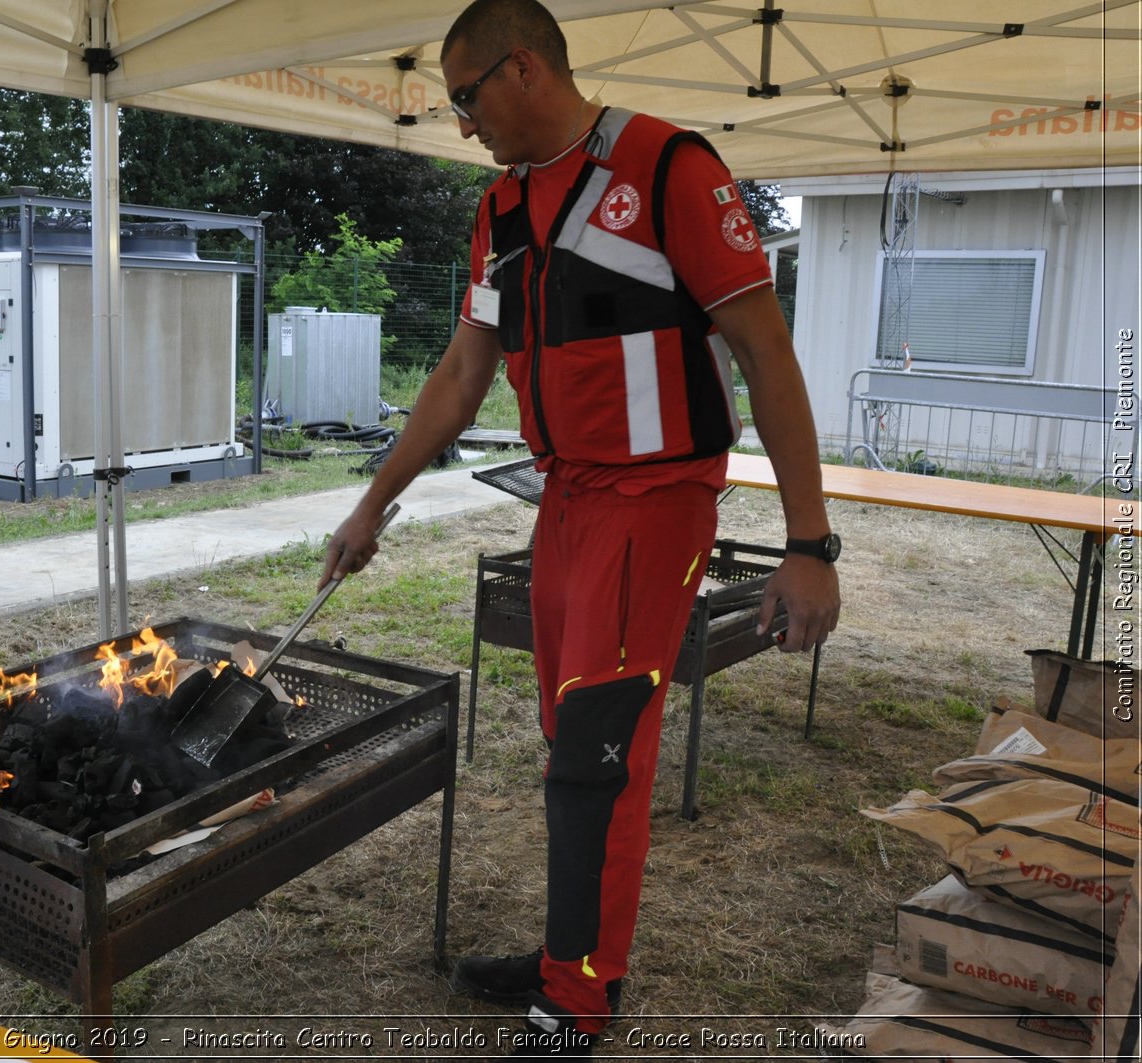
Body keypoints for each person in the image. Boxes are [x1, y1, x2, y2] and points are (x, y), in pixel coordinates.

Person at [320, 0, 842, 1055]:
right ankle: (574, 953)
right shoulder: (500, 210)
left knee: (598, 751)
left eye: (466, 98)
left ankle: (576, 1006)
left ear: (521, 69)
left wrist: (808, 543)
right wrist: (372, 503)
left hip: (656, 503)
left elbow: (766, 355)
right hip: (565, 499)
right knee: (571, 738)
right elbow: (464, 372)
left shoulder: (666, 168)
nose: (461, 124)